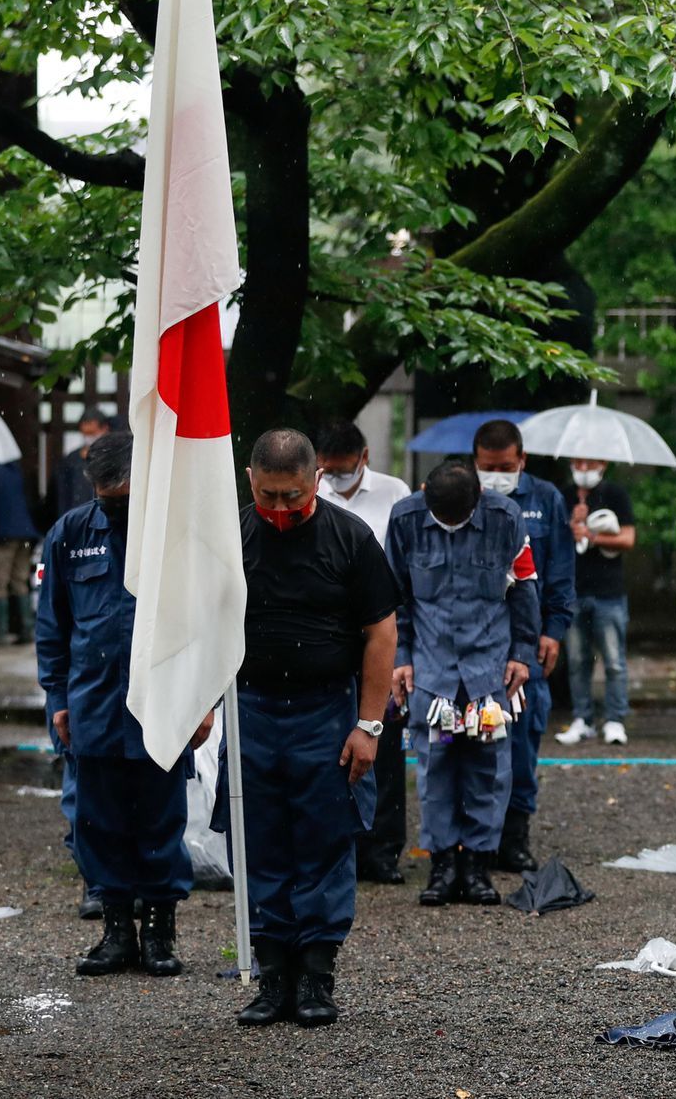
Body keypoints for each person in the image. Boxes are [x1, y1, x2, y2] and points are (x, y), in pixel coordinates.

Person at [230, 429, 399, 1028]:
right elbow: (199, 624)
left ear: (316, 481)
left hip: (327, 711)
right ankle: (272, 978)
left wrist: (369, 725)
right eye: (269, 496)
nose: (279, 510)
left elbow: (382, 635)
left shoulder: (350, 538)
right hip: (250, 706)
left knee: (325, 844)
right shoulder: (231, 534)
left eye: (292, 497)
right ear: (251, 481)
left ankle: (317, 981)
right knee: (260, 843)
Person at [35, 431, 202, 977]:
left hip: (160, 705)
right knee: (97, 822)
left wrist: (201, 702)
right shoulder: (71, 534)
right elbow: (53, 627)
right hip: (93, 705)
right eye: (106, 496)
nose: (115, 506)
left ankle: (159, 930)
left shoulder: (174, 536)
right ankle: (115, 930)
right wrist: (57, 697)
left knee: (161, 819)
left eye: (124, 496)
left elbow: (203, 627)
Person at [385, 461, 539, 908]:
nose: (450, 529)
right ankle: (441, 864)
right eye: (442, 520)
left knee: (488, 767)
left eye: (460, 520)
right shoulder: (405, 519)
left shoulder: (505, 518)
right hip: (432, 673)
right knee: (436, 767)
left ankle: (476, 862)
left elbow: (524, 586)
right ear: (424, 496)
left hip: (489, 669)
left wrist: (522, 655)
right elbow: (395, 595)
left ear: (478, 502)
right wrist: (401, 659)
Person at [314, 417, 415, 886]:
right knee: (334, 743)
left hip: (381, 626)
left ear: (365, 459)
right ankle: (343, 846)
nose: (335, 478)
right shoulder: (308, 495)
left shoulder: (396, 494)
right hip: (329, 632)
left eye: (344, 469)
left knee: (385, 742)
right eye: (327, 470)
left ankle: (383, 849)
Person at [471, 418, 575, 872]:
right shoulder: (462, 495)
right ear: (474, 464)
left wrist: (553, 631)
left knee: (523, 741)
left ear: (522, 461)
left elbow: (562, 574)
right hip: (474, 640)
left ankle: (514, 837)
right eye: (488, 467)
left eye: (505, 466)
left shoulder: (546, 498)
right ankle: (474, 840)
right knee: (472, 741)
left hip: (529, 641)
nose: (496, 475)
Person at [557, 456, 635, 745]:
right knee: (577, 660)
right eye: (578, 462)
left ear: (602, 463)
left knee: (614, 661)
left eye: (590, 463)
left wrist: (592, 536)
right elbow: (554, 539)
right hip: (572, 591)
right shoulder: (563, 496)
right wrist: (572, 523)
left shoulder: (615, 494)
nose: (583, 469)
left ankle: (615, 719)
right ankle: (582, 718)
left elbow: (628, 538)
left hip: (609, 592)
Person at [0, 452, 41, 645]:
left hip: (2, 532)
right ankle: (26, 629)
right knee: (19, 580)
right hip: (25, 530)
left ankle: (1, 631)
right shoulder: (14, 468)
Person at [54, 407, 112, 519]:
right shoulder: (72, 459)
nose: (88, 438)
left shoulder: (114, 455)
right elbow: (64, 493)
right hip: (78, 514)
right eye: (85, 434)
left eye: (92, 433)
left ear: (105, 428)